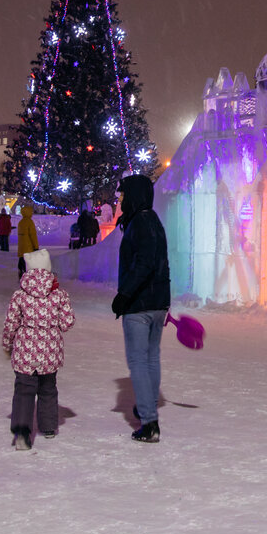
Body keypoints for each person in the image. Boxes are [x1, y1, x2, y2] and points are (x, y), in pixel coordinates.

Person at [112, 174, 171, 443]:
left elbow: (145, 263)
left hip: (140, 305)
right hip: (156, 303)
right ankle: (146, 405)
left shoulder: (140, 223)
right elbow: (161, 264)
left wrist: (124, 294)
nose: (120, 200)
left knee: (138, 361)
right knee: (151, 359)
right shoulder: (153, 221)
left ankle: (149, 422)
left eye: (123, 195)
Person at [2, 248, 75, 450]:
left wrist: (7, 344)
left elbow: (11, 324)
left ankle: (22, 432)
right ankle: (49, 426)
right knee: (48, 389)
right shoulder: (59, 294)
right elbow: (68, 322)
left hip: (25, 352)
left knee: (24, 390)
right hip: (49, 352)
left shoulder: (19, 295)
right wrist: (55, 323)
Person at [17, 204, 40, 274]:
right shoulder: (30, 222)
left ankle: (20, 267)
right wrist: (36, 246)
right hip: (28, 244)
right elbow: (33, 235)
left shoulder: (21, 222)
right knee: (28, 259)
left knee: (22, 257)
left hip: (21, 245)